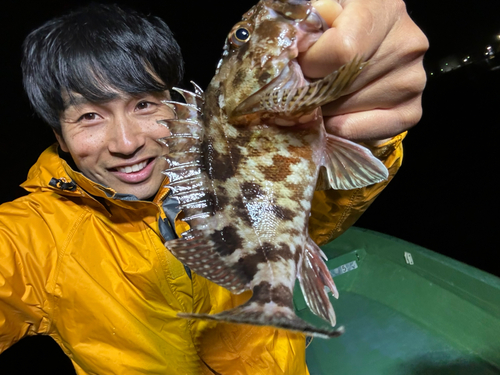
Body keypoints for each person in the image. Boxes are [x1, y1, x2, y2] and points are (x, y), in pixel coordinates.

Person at [0, 1, 427, 374]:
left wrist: (366, 131)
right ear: (59, 135)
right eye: (89, 116)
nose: (126, 143)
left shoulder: (222, 160)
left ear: (176, 102)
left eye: (144, 104)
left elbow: (315, 210)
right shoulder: (33, 238)